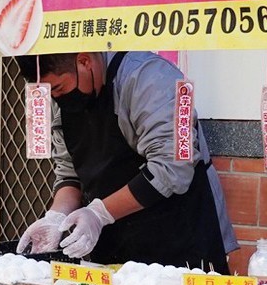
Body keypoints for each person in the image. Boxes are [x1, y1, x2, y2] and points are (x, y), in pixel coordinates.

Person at [14, 51, 237, 272]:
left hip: (181, 240)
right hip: (116, 248)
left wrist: (99, 214)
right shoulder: (61, 99)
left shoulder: (147, 77)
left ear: (84, 61)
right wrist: (56, 217)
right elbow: (69, 173)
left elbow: (172, 169)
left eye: (59, 88)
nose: (56, 98)